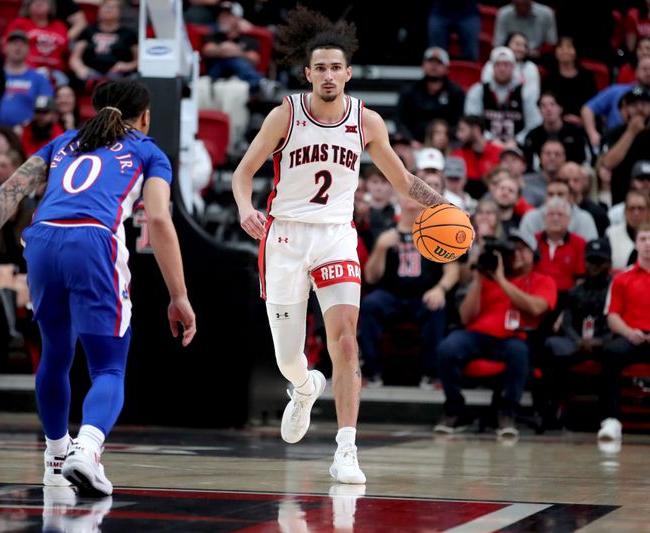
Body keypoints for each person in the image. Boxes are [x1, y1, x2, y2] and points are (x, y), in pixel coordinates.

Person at [0, 78, 196, 496]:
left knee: (56, 353)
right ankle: (88, 449)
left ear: (94, 110)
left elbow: (13, 188)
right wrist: (179, 295)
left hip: (40, 239)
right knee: (108, 367)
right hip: (92, 241)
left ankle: (56, 456)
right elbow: (158, 220)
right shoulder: (148, 151)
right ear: (145, 117)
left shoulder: (63, 142)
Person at [231, 6, 449, 485]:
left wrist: (445, 207)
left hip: (335, 236)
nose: (329, 75)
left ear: (348, 73)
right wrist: (247, 208)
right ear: (308, 73)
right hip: (284, 235)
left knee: (346, 339)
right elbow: (243, 172)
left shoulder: (366, 121)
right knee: (288, 358)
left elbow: (402, 178)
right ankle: (305, 387)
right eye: (320, 68)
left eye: (336, 67)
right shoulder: (284, 114)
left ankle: (346, 449)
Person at [434, 228, 557, 437]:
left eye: (522, 250)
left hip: (513, 339)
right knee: (447, 347)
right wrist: (480, 279)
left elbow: (536, 308)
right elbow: (465, 317)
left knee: (518, 352)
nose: (516, 254)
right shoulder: (488, 277)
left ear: (533, 254)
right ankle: (456, 411)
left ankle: (507, 413)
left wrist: (501, 280)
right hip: (478, 335)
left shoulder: (543, 281)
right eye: (512, 250)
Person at [359, 194, 459, 388]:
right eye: (407, 194)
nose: (412, 199)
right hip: (392, 295)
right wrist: (380, 248)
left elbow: (452, 270)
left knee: (437, 306)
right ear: (399, 200)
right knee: (370, 304)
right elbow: (371, 277)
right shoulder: (387, 234)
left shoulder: (436, 233)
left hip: (423, 295)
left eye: (416, 195)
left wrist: (440, 289)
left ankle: (431, 374)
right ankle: (372, 372)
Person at [542, 238, 611, 428]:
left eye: (599, 262)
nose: (594, 266)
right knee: (551, 345)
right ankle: (552, 412)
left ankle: (608, 416)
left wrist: (600, 341)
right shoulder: (576, 291)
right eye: (590, 261)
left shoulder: (615, 288)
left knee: (615, 352)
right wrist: (578, 340)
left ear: (608, 263)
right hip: (577, 343)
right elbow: (567, 321)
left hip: (605, 343)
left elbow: (616, 321)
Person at [598, 223, 650, 443]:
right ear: (636, 243)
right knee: (610, 353)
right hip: (630, 336)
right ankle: (611, 420)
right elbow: (612, 317)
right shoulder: (622, 279)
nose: (648, 244)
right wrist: (630, 333)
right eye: (643, 239)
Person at [464, 46, 541, 146]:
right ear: (492, 67)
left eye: (506, 64)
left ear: (513, 67)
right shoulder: (478, 91)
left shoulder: (525, 92)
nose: (502, 69)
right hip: (485, 145)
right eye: (498, 64)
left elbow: (534, 124)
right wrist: (491, 140)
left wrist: (517, 141)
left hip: (518, 146)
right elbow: (471, 122)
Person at [395, 47, 465, 144]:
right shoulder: (409, 91)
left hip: (447, 145)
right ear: (423, 65)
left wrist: (446, 141)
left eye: (439, 63)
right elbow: (400, 120)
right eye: (430, 62)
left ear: (447, 68)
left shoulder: (455, 93)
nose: (434, 66)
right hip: (414, 144)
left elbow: (459, 122)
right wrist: (410, 141)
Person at [0, 29, 55, 128]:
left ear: (28, 49)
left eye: (22, 44)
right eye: (14, 43)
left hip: (27, 135)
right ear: (5, 47)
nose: (18, 48)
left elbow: (47, 110)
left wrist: (27, 127)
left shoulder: (39, 79)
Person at [523, 91, 590, 171]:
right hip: (541, 176)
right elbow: (530, 166)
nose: (548, 109)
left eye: (552, 104)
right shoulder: (533, 136)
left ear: (560, 108)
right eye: (543, 106)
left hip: (572, 174)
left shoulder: (575, 132)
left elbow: (584, 160)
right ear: (539, 110)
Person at [519, 179, 598, 242]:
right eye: (550, 194)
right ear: (545, 197)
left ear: (570, 197)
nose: (555, 198)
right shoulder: (531, 217)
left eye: (560, 194)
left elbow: (589, 249)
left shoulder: (584, 218)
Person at [493, 0, 557, 58]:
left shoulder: (546, 13)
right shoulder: (503, 13)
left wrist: (538, 52)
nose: (521, 6)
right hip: (510, 55)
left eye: (524, 3)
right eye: (518, 4)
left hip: (539, 56)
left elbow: (551, 43)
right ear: (513, 2)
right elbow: (498, 44)